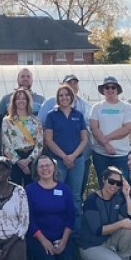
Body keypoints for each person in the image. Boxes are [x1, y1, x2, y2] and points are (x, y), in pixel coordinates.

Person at [78, 167, 131, 260]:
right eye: (111, 182)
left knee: (129, 226)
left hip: (109, 241)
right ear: (103, 180)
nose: (114, 186)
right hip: (91, 246)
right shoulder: (92, 200)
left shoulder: (118, 198)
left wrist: (127, 195)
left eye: (118, 183)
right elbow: (98, 230)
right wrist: (121, 224)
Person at [44, 84, 89, 214]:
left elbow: (84, 139)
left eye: (67, 95)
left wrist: (73, 156)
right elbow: (49, 139)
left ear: (72, 97)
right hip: (58, 162)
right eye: (61, 95)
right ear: (57, 98)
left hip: (77, 161)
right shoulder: (52, 115)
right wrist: (64, 157)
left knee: (75, 196)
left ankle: (76, 232)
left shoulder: (78, 115)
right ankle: (57, 228)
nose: (64, 98)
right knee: (57, 194)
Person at [25, 156, 76, 260]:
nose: (45, 169)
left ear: (54, 168)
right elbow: (29, 219)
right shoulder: (30, 190)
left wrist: (64, 240)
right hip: (39, 238)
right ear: (36, 170)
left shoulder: (64, 189)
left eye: (48, 165)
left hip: (61, 237)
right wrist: (44, 241)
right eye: (41, 167)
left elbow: (71, 217)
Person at [89, 76, 131, 183]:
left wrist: (106, 138)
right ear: (103, 91)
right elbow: (94, 128)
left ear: (117, 90)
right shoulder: (97, 107)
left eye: (113, 87)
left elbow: (127, 128)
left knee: (122, 185)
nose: (110, 90)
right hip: (101, 154)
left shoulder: (125, 107)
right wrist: (106, 145)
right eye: (107, 87)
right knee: (103, 184)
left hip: (121, 155)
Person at [2, 88, 44, 186]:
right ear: (14, 101)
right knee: (14, 189)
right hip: (15, 159)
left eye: (24, 98)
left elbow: (40, 143)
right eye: (18, 98)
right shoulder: (7, 121)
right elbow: (5, 143)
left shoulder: (36, 121)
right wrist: (18, 161)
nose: (21, 101)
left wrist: (29, 160)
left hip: (31, 158)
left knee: (31, 188)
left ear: (28, 101)